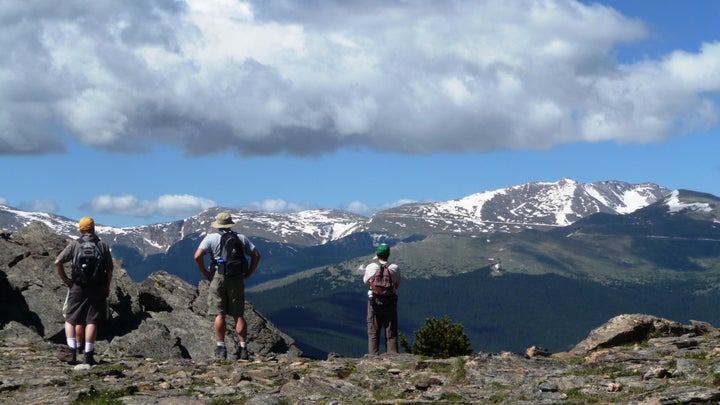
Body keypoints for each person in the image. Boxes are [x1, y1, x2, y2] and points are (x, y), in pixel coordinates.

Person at [194, 212, 260, 361]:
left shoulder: (211, 238)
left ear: (217, 224)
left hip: (218, 276)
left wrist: (205, 272)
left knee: (219, 313)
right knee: (238, 314)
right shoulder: (241, 238)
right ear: (230, 223)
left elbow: (197, 256)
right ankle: (243, 349)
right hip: (236, 277)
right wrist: (248, 273)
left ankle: (221, 347)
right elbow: (256, 255)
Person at [55, 217, 113, 365]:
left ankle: (71, 352)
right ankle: (88, 355)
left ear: (81, 229)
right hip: (97, 286)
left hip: (78, 286)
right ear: (94, 228)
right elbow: (109, 270)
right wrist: (106, 287)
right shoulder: (102, 245)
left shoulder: (75, 244)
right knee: (92, 320)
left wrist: (66, 280)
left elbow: (58, 261)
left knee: (70, 319)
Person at [363, 243, 401, 355]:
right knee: (391, 331)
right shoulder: (394, 268)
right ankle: (392, 356)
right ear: (388, 254)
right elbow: (397, 285)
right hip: (390, 302)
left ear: (377, 254)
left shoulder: (371, 267)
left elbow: (366, 282)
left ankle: (373, 357)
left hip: (374, 302)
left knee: (373, 331)